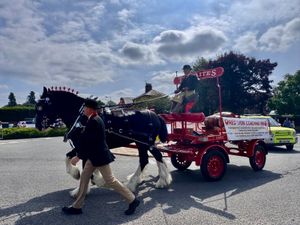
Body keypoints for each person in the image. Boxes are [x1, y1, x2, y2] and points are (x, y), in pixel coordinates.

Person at [62, 98, 140, 215]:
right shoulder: (93, 119)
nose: (83, 110)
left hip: (99, 157)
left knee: (111, 180)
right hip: (93, 156)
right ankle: (77, 207)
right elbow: (86, 137)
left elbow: (89, 141)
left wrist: (78, 156)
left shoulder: (94, 121)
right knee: (84, 177)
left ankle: (132, 200)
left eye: (84, 108)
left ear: (89, 109)